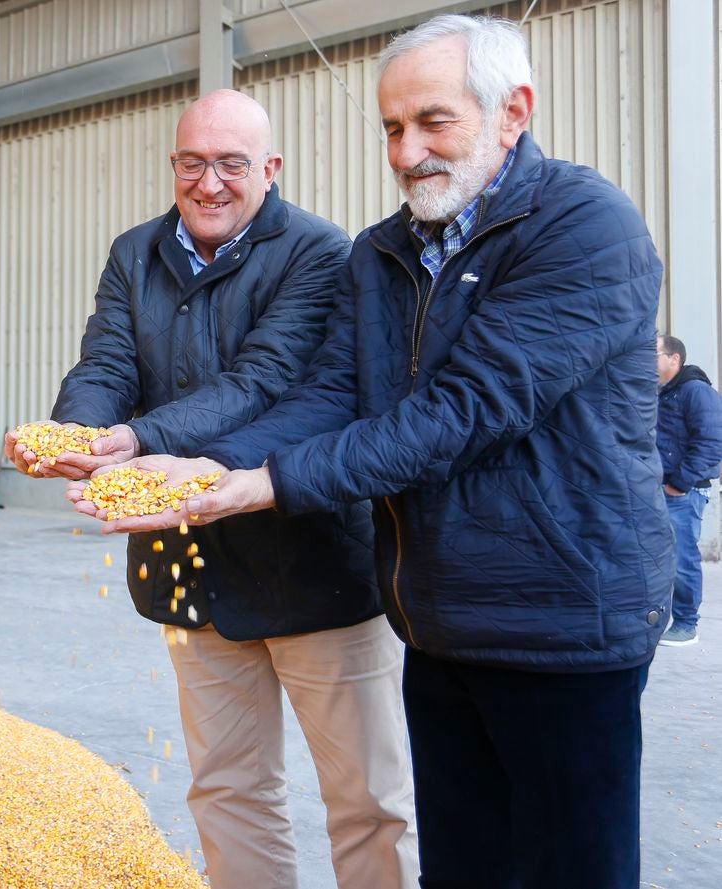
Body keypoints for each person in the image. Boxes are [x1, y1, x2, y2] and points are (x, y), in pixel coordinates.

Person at [76, 16, 672, 889]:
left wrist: (256, 485)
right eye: (392, 128)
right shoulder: (383, 252)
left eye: (435, 121)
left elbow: (464, 410)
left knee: (567, 864)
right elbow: (327, 393)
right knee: (462, 865)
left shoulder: (582, 226)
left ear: (514, 112)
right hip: (437, 616)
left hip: (561, 615)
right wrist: (214, 467)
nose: (408, 151)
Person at [8, 89, 417, 889]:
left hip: (311, 559)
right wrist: (82, 430)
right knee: (228, 785)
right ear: (172, 166)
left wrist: (139, 438)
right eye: (192, 163)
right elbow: (106, 361)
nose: (210, 183)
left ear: (269, 168)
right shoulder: (136, 252)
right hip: (191, 562)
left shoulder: (317, 251)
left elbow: (266, 378)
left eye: (231, 164)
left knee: (367, 796)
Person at [655, 334, 722, 646]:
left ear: (674, 359)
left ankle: (686, 624)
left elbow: (711, 443)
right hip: (657, 490)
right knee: (658, 560)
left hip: (683, 492)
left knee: (682, 559)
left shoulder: (695, 391)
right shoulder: (662, 393)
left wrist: (679, 484)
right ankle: (657, 621)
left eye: (653, 354)